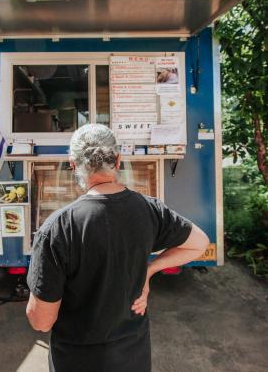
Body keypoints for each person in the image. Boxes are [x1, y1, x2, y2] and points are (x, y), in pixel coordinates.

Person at [26, 124, 209, 372]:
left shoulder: (57, 228)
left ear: (73, 164)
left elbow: (41, 322)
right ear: (118, 160)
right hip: (133, 358)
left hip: (77, 361)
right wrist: (150, 269)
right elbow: (199, 243)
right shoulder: (150, 210)